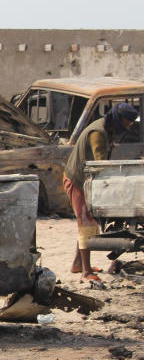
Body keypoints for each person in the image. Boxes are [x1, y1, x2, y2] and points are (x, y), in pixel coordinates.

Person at [63, 102, 139, 281]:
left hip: (85, 180)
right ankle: (86, 272)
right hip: (78, 181)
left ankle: (77, 264)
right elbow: (101, 164)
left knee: (88, 223)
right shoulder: (98, 132)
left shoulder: (107, 128)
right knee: (86, 224)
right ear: (119, 119)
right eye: (127, 123)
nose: (128, 126)